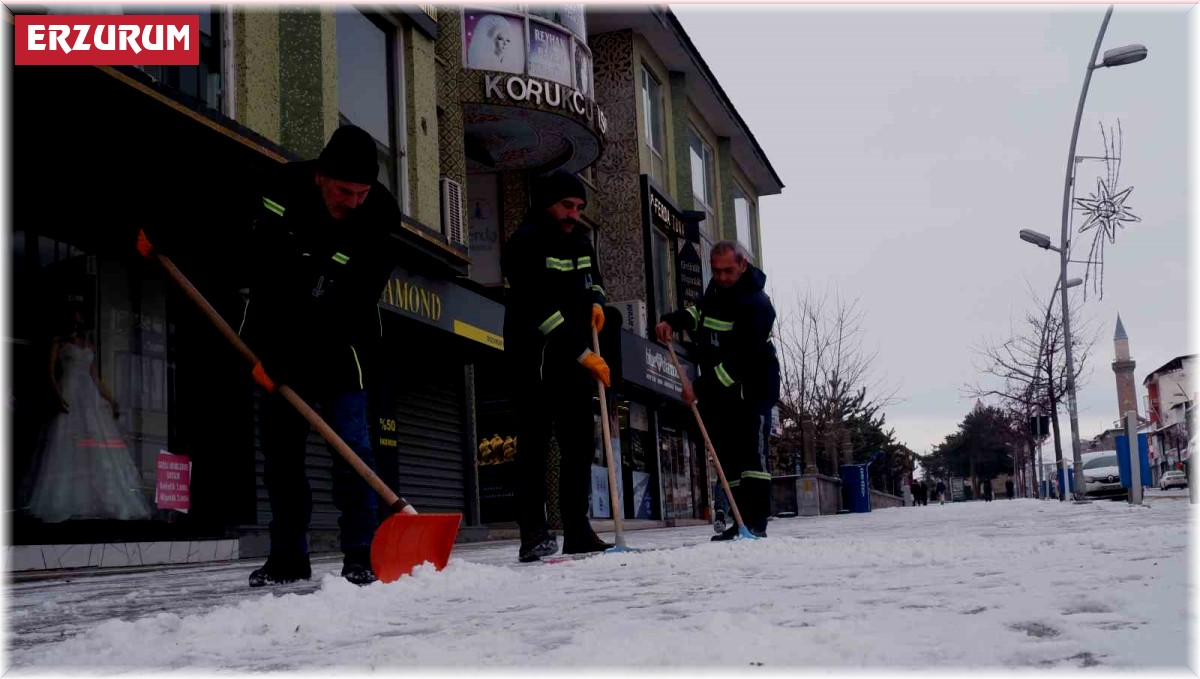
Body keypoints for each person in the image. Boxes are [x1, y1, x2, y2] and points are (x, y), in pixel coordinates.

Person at [237, 125, 416, 587]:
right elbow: (264, 273)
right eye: (344, 190)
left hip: (342, 341)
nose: (353, 201)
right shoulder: (279, 189)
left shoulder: (379, 214)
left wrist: (298, 353)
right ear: (320, 176)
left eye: (362, 191)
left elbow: (355, 300)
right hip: (277, 334)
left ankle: (360, 552)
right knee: (281, 456)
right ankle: (288, 557)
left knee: (352, 449)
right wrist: (273, 353)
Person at [502, 171, 615, 563]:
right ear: (548, 202)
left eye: (579, 207)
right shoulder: (525, 242)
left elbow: (594, 280)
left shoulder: (581, 239)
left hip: (574, 359)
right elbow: (539, 310)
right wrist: (581, 353)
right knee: (534, 445)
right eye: (568, 205)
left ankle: (577, 529)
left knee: (579, 443)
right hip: (534, 357)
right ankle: (533, 531)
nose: (574, 214)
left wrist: (598, 302)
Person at [656, 241, 781, 540]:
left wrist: (698, 388)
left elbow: (741, 362)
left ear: (742, 265)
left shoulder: (758, 305)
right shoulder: (716, 292)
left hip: (752, 389)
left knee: (752, 458)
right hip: (723, 393)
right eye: (717, 271)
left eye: (728, 271)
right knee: (730, 459)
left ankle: (755, 522)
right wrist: (672, 320)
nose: (722, 277)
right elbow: (699, 314)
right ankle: (739, 521)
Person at [21, 306, 153, 523]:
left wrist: (111, 400)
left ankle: (101, 501)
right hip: (70, 392)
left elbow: (95, 378)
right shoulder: (59, 341)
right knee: (65, 444)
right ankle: (64, 501)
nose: (77, 320)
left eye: (80, 317)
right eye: (73, 317)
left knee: (97, 445)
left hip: (89, 396)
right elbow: (50, 371)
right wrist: (56, 396)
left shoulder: (88, 344)